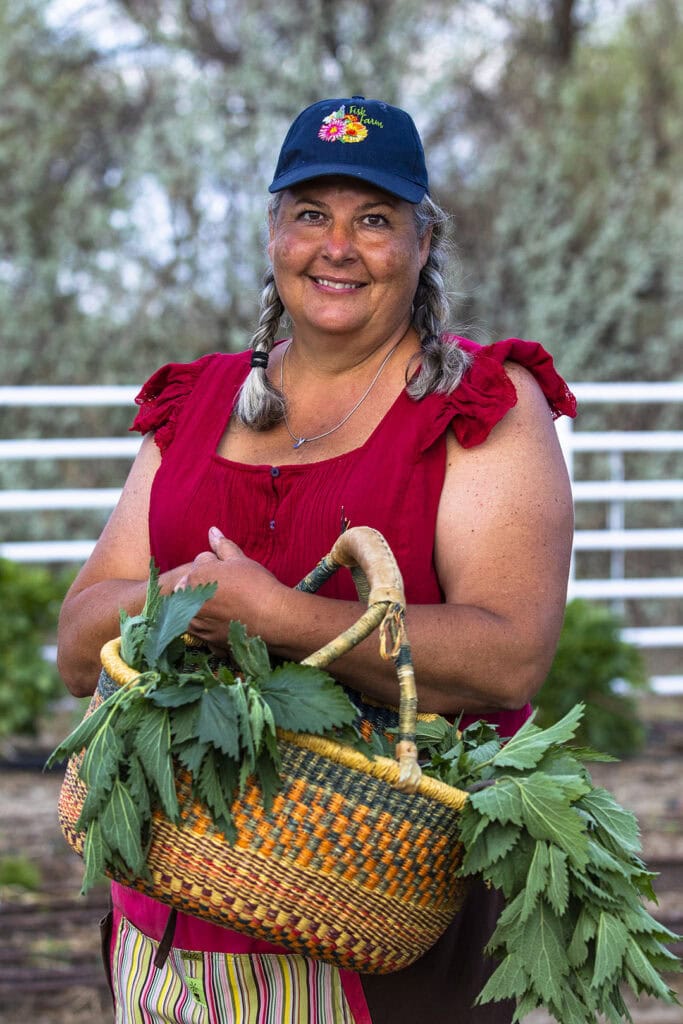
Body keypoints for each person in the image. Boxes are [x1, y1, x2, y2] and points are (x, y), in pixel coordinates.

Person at [57, 95, 576, 1023]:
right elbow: (75, 643)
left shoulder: (478, 408)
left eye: (374, 220)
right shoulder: (196, 405)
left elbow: (507, 658)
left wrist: (277, 618)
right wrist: (179, 598)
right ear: (272, 233)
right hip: (169, 926)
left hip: (378, 933)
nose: (337, 246)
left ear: (423, 243)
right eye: (310, 215)